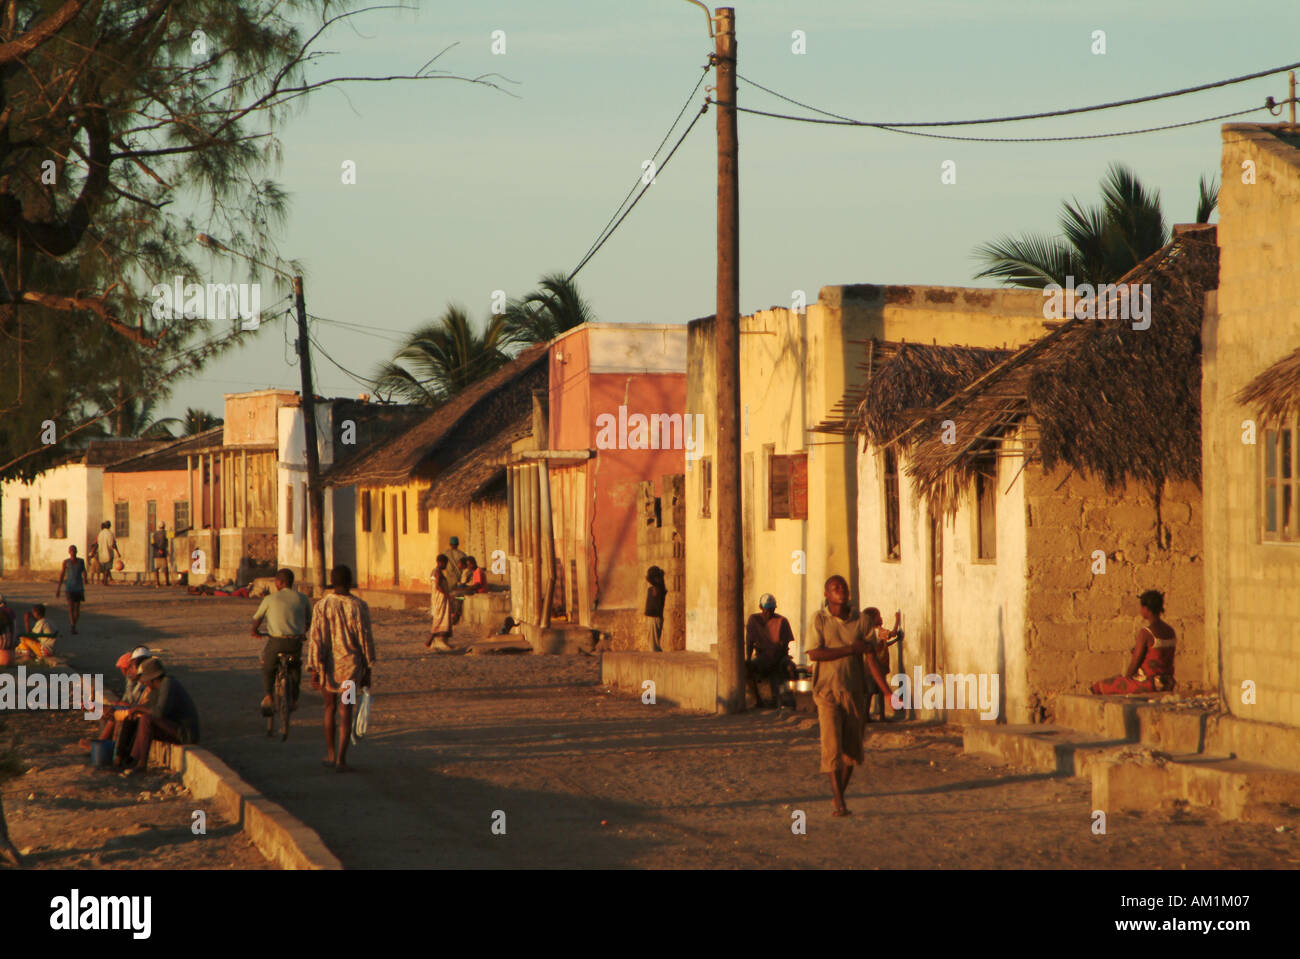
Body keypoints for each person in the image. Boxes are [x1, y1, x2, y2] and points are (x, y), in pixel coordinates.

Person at [807, 575, 896, 818]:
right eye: (835, 588)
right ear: (827, 594)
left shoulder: (862, 621)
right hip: (827, 691)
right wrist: (849, 649)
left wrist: (887, 692)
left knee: (852, 751)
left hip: (855, 690)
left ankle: (839, 795)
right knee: (831, 747)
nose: (841, 591)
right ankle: (839, 803)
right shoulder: (820, 619)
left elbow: (871, 659)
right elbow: (814, 653)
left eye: (843, 587)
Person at [307, 565, 376, 772]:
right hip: (352, 669)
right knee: (346, 710)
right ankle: (341, 759)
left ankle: (329, 754)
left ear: (332, 581)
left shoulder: (321, 606)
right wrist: (368, 668)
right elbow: (366, 639)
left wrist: (314, 669)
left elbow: (316, 639)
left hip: (328, 668)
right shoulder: (359, 606)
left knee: (329, 708)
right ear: (350, 581)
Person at [117, 658, 201, 775]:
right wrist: (134, 709)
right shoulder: (156, 688)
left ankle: (142, 765)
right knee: (141, 721)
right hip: (174, 729)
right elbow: (149, 706)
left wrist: (138, 708)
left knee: (146, 719)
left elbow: (158, 712)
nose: (144, 683)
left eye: (145, 680)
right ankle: (133, 760)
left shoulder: (168, 684)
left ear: (153, 678)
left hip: (186, 734)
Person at [1090, 590, 1177, 695]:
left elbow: (1135, 662)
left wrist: (1126, 679)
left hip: (1149, 684)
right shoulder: (1170, 631)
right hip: (1168, 683)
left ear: (1146, 609)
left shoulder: (1146, 633)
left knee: (1099, 687)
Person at [251, 568, 313, 713]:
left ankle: (268, 696)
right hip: (295, 642)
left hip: (277, 641)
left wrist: (254, 630)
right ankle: (294, 699)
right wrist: (303, 633)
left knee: (268, 666)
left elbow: (257, 618)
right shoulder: (303, 598)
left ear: (280, 582)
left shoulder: (270, 599)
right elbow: (308, 620)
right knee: (295, 667)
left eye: (276, 581)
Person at [745, 594, 796, 708]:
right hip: (762, 657)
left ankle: (788, 699)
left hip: (779, 656)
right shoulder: (754, 620)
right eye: (766, 610)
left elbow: (784, 646)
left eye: (771, 610)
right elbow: (749, 641)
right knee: (746, 669)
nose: (769, 613)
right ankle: (758, 700)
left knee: (790, 669)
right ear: (761, 608)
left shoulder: (782, 621)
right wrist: (748, 658)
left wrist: (775, 658)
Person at [862, 607, 901, 721]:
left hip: (870, 668)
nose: (881, 618)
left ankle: (866, 716)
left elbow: (883, 646)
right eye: (879, 616)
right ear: (873, 619)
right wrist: (897, 620)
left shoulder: (868, 633)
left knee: (869, 693)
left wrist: (895, 641)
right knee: (880, 692)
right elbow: (892, 633)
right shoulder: (880, 631)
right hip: (879, 666)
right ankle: (882, 716)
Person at [56, 545, 88, 634]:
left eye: (74, 550)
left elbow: (84, 571)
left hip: (78, 587)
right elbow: (62, 574)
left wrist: (85, 578)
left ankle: (74, 623)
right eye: (71, 551)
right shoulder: (66, 562)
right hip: (69, 587)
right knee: (70, 608)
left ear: (76, 551)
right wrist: (58, 588)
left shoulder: (81, 561)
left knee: (77, 610)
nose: (73, 552)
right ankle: (72, 626)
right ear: (69, 552)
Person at [427, 554, 454, 652]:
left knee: (444, 617)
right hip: (439, 599)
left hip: (442, 599)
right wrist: (447, 595)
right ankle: (436, 640)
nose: (446, 566)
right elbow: (437, 586)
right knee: (439, 618)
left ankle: (440, 640)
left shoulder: (439, 572)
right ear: (440, 562)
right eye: (445, 563)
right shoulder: (436, 572)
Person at [97, 521, 120, 585]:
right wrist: (118, 552)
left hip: (101, 553)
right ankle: (105, 580)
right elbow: (112, 544)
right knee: (107, 568)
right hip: (108, 553)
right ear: (109, 526)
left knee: (104, 568)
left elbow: (97, 542)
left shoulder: (100, 533)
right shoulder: (110, 533)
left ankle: (104, 579)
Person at [150, 522, 171, 587]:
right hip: (163, 553)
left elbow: (153, 543)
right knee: (165, 567)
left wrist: (158, 549)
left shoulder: (154, 534)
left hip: (156, 553)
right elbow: (173, 535)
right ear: (164, 526)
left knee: (157, 568)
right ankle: (167, 582)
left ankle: (157, 582)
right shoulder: (166, 533)